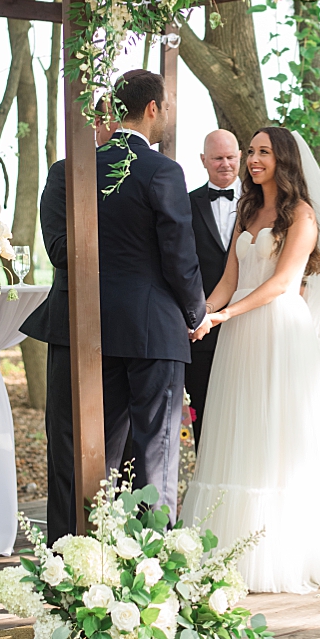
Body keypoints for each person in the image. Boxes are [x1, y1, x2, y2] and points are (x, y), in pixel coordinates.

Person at [182, 126, 320, 592]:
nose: (252, 159)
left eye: (263, 152)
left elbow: (284, 283)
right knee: (239, 431)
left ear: (283, 160)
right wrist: (202, 312)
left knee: (277, 435)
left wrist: (226, 314)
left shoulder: (301, 214)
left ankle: (282, 553)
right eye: (251, 152)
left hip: (279, 329)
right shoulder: (247, 209)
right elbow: (229, 276)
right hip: (239, 332)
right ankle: (227, 547)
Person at [97, 71, 209, 521]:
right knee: (155, 451)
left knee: (101, 448)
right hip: (154, 327)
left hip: (95, 325)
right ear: (151, 109)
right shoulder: (162, 170)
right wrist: (196, 312)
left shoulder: (80, 167)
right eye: (167, 107)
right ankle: (152, 560)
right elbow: (178, 253)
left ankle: (94, 549)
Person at [22, 114, 116, 544]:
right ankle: (62, 548)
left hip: (128, 329)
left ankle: (117, 545)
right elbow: (60, 249)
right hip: (69, 326)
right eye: (108, 122)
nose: (115, 131)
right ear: (95, 125)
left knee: (121, 447)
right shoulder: (63, 176)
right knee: (64, 441)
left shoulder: (148, 175)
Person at [185, 129, 242, 448]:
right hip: (201, 328)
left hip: (249, 324)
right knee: (203, 413)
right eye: (218, 158)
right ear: (203, 161)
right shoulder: (185, 203)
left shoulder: (260, 202)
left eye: (231, 157)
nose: (225, 164)